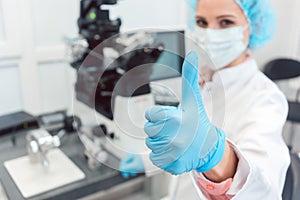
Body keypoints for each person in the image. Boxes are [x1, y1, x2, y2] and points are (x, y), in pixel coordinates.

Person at [120, 0, 290, 199]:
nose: (210, 33)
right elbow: (184, 142)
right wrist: (147, 161)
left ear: (253, 26)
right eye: (201, 22)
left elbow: (263, 188)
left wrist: (215, 156)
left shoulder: (265, 98)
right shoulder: (202, 79)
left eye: (225, 22)